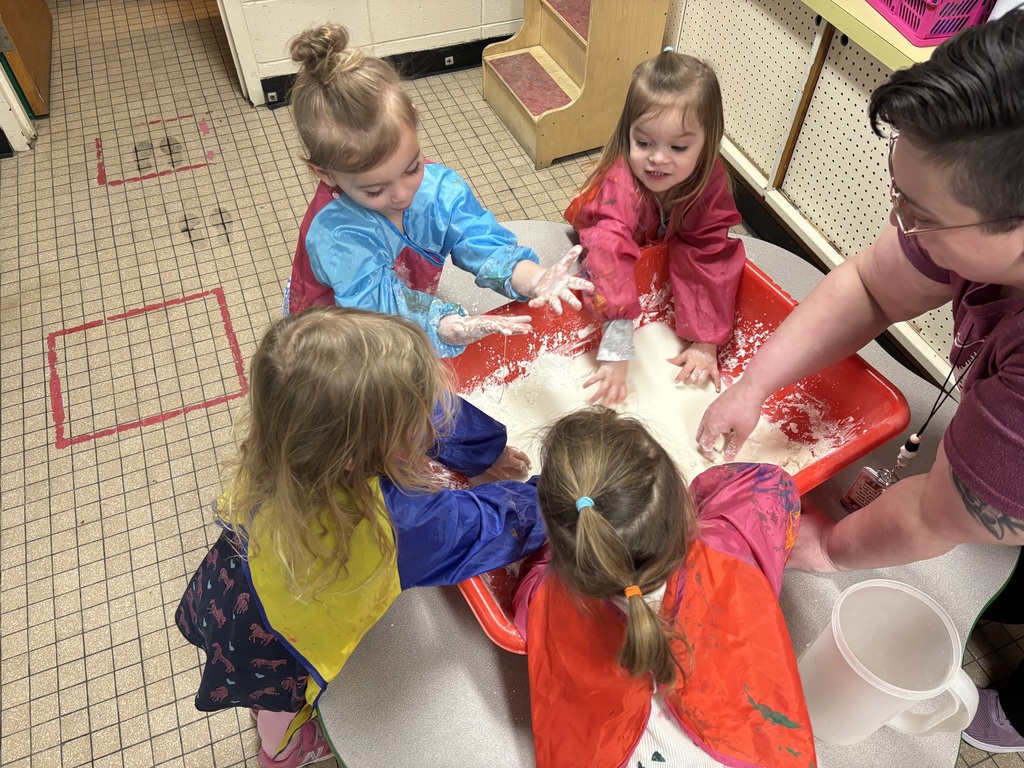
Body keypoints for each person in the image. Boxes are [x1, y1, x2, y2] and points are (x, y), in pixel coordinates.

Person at [696, 9, 1024, 753]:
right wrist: (754, 386)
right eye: (899, 191)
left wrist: (833, 548)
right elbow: (873, 287)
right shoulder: (970, 204)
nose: (897, 221)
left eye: (923, 213)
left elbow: (943, 519)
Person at [175, 307, 547, 768]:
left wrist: (483, 450)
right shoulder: (394, 526)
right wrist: (558, 495)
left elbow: (404, 403)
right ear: (366, 451)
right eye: (415, 423)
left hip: (232, 581)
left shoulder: (286, 443)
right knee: (278, 703)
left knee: (260, 684)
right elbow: (490, 526)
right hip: (284, 643)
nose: (432, 423)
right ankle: (285, 750)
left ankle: (274, 724)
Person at [510, 408, 814, 768]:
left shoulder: (547, 594)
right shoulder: (726, 542)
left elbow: (531, 583)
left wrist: (552, 550)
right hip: (757, 753)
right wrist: (698, 493)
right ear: (679, 509)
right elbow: (769, 485)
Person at [282, 23, 591, 357]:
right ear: (325, 174)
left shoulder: (437, 188)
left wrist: (531, 277)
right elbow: (379, 311)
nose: (402, 195)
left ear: (413, 123)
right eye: (374, 190)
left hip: (399, 301)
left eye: (412, 167)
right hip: (335, 327)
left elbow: (478, 238)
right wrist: (447, 325)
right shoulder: (335, 236)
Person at [564, 49, 746, 405]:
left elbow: (709, 253)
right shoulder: (621, 182)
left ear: (708, 142)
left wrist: (705, 342)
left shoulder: (709, 182)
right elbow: (607, 252)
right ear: (627, 133)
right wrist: (616, 345)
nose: (658, 158)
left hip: (659, 235)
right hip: (610, 234)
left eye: (678, 146)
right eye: (643, 142)